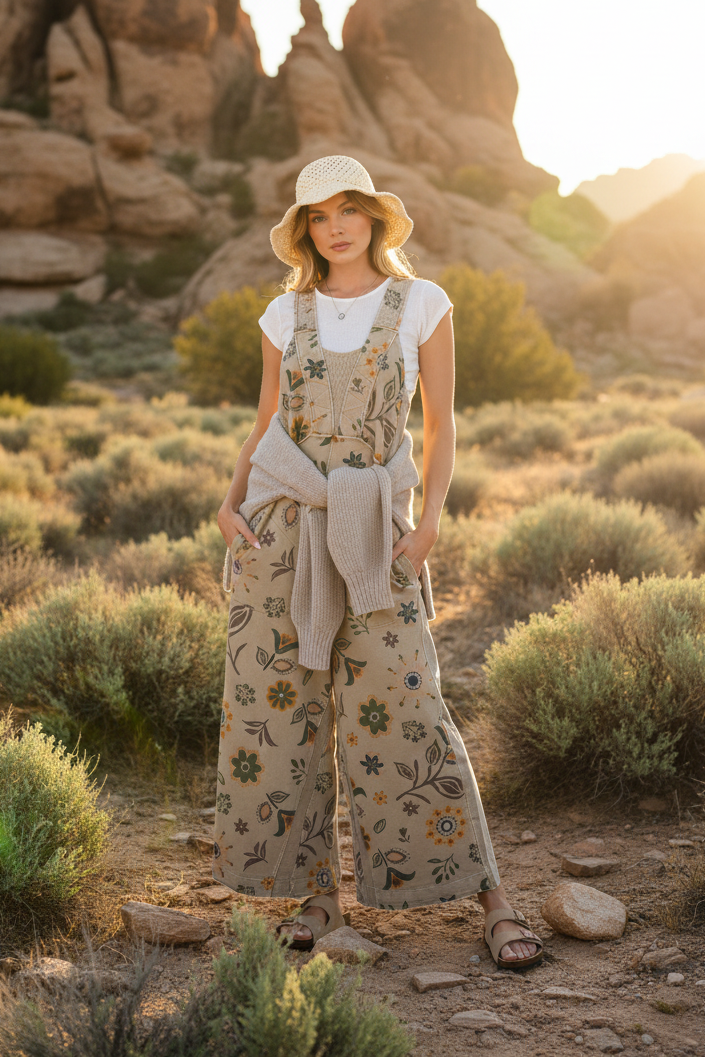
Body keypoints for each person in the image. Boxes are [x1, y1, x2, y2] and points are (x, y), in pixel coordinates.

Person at [214, 155, 542, 969]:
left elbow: (441, 428)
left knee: (410, 707)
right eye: (319, 215)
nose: (336, 226)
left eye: (349, 209)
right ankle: (316, 894)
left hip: (373, 530)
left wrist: (427, 521)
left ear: (374, 218)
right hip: (280, 528)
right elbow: (264, 423)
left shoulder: (420, 303)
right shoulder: (281, 313)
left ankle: (490, 896)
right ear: (304, 232)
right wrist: (227, 501)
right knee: (286, 710)